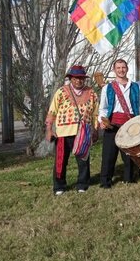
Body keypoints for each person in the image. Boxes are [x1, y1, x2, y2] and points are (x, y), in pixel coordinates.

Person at [45, 65, 99, 195]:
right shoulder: (61, 92)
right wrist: (49, 129)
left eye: (81, 78)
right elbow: (52, 111)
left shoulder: (91, 93)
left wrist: (96, 130)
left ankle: (82, 184)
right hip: (63, 133)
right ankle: (59, 186)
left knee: (83, 160)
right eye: (76, 78)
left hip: (83, 133)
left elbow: (96, 114)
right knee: (61, 161)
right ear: (70, 78)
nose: (78, 81)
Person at [98, 59, 140, 188]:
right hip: (113, 124)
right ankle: (105, 182)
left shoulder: (135, 86)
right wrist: (102, 120)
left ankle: (129, 179)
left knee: (129, 154)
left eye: (123, 67)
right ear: (114, 70)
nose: (121, 70)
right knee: (109, 154)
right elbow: (103, 108)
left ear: (127, 69)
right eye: (118, 68)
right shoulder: (107, 88)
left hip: (130, 124)